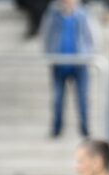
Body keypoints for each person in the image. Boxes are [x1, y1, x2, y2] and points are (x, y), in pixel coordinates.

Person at [43, 0, 94, 138]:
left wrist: (88, 55)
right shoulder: (54, 15)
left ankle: (85, 128)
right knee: (58, 99)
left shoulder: (83, 15)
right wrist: (49, 55)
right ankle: (57, 129)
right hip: (60, 63)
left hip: (79, 64)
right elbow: (46, 35)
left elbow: (91, 36)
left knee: (82, 98)